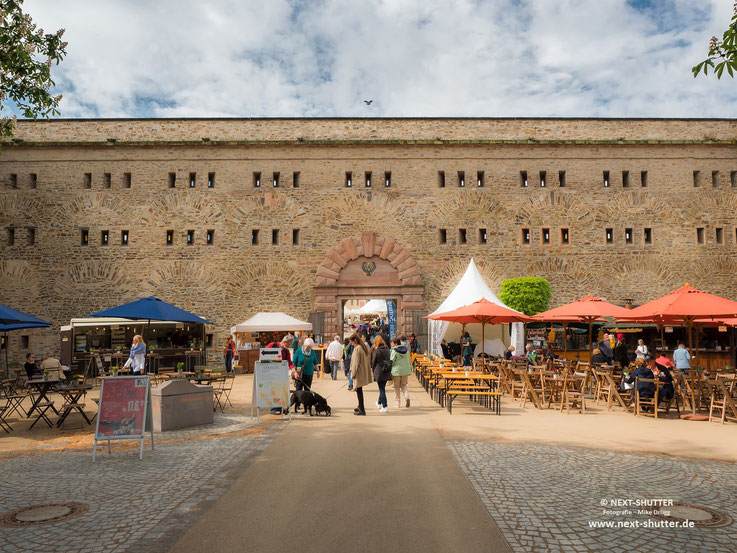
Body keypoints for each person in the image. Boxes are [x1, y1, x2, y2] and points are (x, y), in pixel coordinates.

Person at [349, 333, 372, 416]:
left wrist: (353, 374)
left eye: (351, 342)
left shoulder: (357, 349)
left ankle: (362, 409)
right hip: (361, 372)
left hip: (358, 373)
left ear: (355, 340)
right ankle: (360, 406)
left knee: (359, 392)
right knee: (359, 391)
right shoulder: (362, 347)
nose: (351, 343)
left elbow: (355, 363)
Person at [371, 336, 392, 412]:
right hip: (386, 371)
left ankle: (385, 406)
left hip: (379, 371)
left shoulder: (377, 351)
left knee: (381, 389)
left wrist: (373, 370)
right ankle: (379, 403)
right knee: (382, 387)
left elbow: (373, 362)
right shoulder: (387, 350)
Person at [390, 337, 412, 408]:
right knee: (404, 385)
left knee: (396, 387)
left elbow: (392, 361)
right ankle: (407, 397)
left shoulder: (394, 351)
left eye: (392, 343)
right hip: (405, 371)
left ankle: (397, 402)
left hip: (396, 371)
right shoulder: (406, 351)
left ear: (395, 343)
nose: (391, 345)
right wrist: (409, 370)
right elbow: (409, 361)